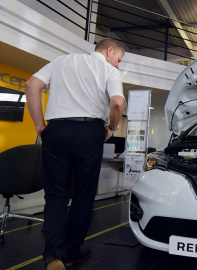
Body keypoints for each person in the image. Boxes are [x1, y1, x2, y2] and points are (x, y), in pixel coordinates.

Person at [25, 38, 126, 270]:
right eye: (118, 59)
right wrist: (111, 129)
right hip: (90, 132)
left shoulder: (60, 61)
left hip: (57, 130)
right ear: (109, 51)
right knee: (83, 196)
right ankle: (71, 252)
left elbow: (31, 85)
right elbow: (118, 103)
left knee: (56, 197)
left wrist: (40, 125)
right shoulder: (109, 70)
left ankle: (53, 257)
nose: (118, 65)